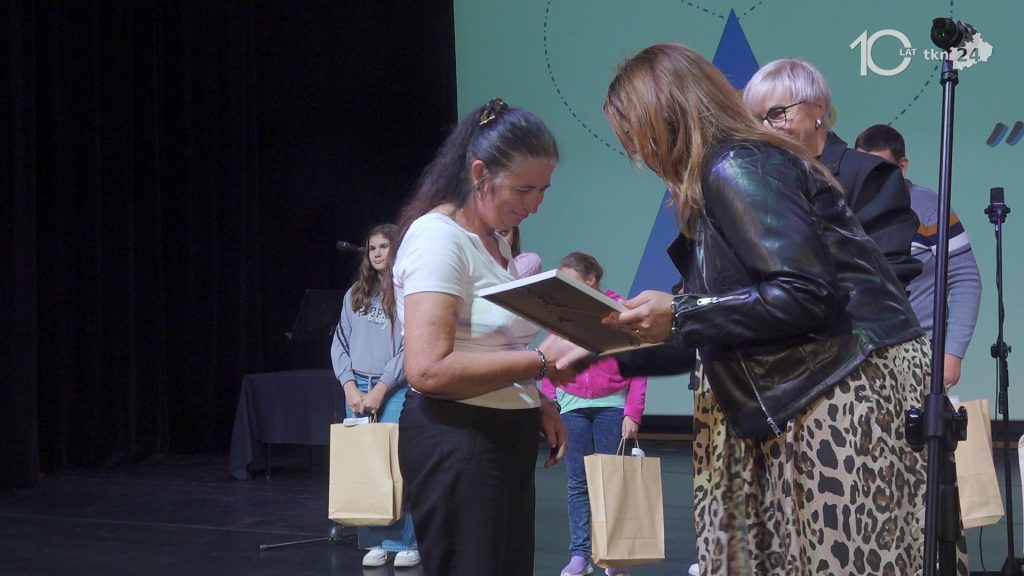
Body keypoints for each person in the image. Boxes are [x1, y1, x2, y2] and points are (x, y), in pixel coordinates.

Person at [601, 43, 934, 574]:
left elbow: (804, 292)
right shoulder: (730, 171)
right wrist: (603, 346)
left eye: (637, 133)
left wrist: (682, 313)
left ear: (668, 118)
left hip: (838, 395)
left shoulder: (738, 165)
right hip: (809, 394)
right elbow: (727, 322)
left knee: (845, 560)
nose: (639, 152)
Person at [385, 97, 575, 576]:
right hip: (459, 438)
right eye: (524, 189)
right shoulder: (438, 237)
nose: (535, 204)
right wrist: (540, 363)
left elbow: (491, 346)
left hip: (499, 437)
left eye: (544, 190)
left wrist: (537, 400)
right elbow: (428, 369)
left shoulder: (497, 242)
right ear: (478, 173)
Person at [742, 58, 922, 287]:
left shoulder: (871, 176)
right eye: (758, 120)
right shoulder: (755, 180)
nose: (767, 128)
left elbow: (888, 274)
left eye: (777, 113)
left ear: (818, 107)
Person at [539, 251, 648, 576]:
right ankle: (580, 555)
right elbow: (547, 360)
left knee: (612, 483)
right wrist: (549, 402)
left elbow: (638, 365)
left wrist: (633, 412)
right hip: (572, 408)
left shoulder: (618, 313)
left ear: (590, 281)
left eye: (569, 281)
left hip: (611, 407)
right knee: (578, 483)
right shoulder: (564, 317)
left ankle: (613, 555)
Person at [855, 124, 982, 390]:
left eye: (880, 168)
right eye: (863, 167)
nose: (870, 177)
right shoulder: (844, 208)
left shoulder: (929, 208)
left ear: (902, 167)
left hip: (919, 352)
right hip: (859, 355)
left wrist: (952, 354)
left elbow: (965, 279)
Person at [330, 223, 420, 568]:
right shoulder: (355, 294)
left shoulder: (407, 293)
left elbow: (411, 348)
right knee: (365, 465)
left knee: (396, 465)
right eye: (373, 248)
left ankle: (405, 541)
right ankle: (375, 541)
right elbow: (340, 343)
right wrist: (349, 385)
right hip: (357, 388)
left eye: (384, 246)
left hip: (393, 389)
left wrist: (382, 387)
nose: (378, 253)